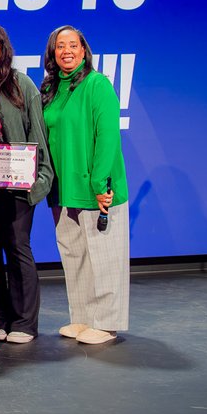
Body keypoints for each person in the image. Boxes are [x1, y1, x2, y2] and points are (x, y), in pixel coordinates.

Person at [39, 26, 129, 345]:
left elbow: (107, 137)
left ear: (83, 50)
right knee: (74, 255)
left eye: (72, 45)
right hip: (62, 189)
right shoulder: (51, 89)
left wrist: (99, 180)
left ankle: (105, 322)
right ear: (52, 53)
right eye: (60, 46)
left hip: (97, 188)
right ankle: (82, 317)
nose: (66, 51)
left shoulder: (98, 84)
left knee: (104, 256)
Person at [0, 22, 53, 344]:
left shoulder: (22, 84)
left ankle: (25, 323)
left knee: (18, 249)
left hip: (18, 185)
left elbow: (38, 135)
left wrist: (39, 180)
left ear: (4, 49)